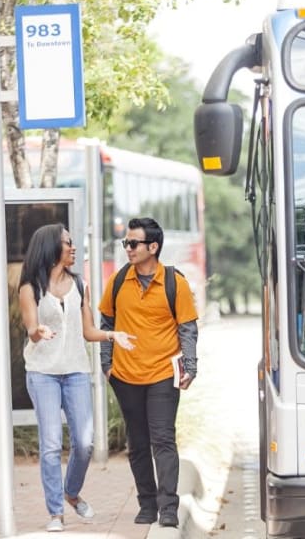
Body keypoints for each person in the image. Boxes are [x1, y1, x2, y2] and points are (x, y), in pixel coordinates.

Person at [18, 223, 135, 533]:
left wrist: (113, 334)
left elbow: (87, 331)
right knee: (52, 444)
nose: (72, 247)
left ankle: (71, 492)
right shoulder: (30, 288)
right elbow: (30, 327)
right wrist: (37, 332)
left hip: (76, 371)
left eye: (72, 242)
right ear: (50, 248)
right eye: (67, 242)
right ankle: (56, 512)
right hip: (42, 373)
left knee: (84, 442)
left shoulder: (80, 285)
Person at [98, 217, 199, 528]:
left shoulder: (174, 283)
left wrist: (191, 367)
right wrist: (107, 366)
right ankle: (147, 503)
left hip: (161, 376)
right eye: (125, 243)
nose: (127, 248)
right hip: (125, 377)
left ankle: (169, 506)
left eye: (133, 243)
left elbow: (188, 329)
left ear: (153, 247)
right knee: (138, 442)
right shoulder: (117, 282)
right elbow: (106, 325)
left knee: (163, 439)